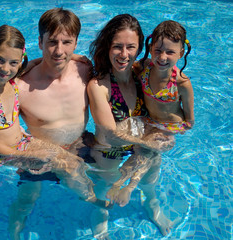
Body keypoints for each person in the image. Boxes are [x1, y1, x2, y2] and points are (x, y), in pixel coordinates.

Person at [0, 25, 104, 239]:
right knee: (68, 165)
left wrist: (72, 56)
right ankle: (91, 199)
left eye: (13, 62)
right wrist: (30, 155)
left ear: (20, 61)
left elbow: (33, 63)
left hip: (22, 142)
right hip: (2, 153)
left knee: (32, 192)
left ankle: (15, 230)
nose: (5, 68)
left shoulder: (12, 81)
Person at [8, 8, 100, 240]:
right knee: (26, 200)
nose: (59, 51)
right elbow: (7, 132)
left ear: (76, 42)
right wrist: (26, 154)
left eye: (67, 42)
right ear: (39, 42)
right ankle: (14, 235)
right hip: (40, 156)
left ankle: (100, 225)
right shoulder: (20, 87)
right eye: (52, 42)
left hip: (80, 146)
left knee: (99, 185)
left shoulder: (86, 70)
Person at [87, 14, 178, 237]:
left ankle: (152, 204)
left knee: (150, 179)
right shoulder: (99, 86)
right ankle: (101, 214)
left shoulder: (143, 74)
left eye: (131, 47)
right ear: (107, 46)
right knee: (104, 186)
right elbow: (109, 132)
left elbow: (169, 97)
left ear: (139, 49)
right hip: (109, 149)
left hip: (140, 145)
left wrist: (167, 133)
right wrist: (146, 141)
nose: (124, 54)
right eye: (117, 46)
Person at [107, 20, 195, 209]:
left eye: (170, 52)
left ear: (181, 53)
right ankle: (122, 184)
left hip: (168, 127)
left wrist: (183, 128)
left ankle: (127, 186)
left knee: (147, 151)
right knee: (139, 148)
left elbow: (190, 117)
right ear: (150, 47)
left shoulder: (181, 83)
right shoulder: (144, 69)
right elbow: (122, 64)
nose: (162, 57)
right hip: (148, 121)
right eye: (158, 50)